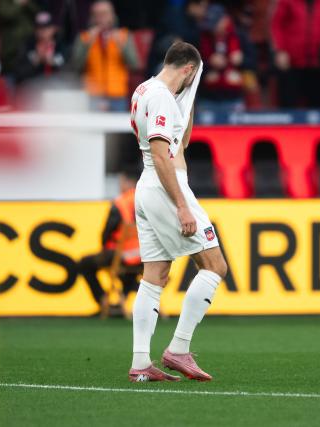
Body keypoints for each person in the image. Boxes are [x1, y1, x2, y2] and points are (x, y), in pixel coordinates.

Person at [128, 41, 227, 382]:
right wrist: (182, 206)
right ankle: (179, 349)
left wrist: (191, 96)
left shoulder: (144, 90)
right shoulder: (160, 97)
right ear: (188, 70)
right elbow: (162, 155)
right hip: (165, 186)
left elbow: (180, 141)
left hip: (147, 187)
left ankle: (141, 363)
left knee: (155, 275)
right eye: (194, 77)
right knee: (215, 265)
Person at [78, 168, 143, 318]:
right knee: (129, 273)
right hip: (145, 256)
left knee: (84, 264)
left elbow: (107, 231)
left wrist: (104, 247)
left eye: (121, 182)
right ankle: (122, 301)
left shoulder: (120, 203)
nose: (120, 185)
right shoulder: (149, 199)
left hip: (122, 255)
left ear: (129, 182)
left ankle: (103, 302)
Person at [270, 0, 320, 108]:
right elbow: (277, 26)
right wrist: (280, 50)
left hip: (319, 64)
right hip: (291, 64)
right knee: (288, 105)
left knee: (318, 107)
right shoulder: (286, 2)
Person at [70, 0, 140, 111]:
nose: (101, 18)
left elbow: (135, 65)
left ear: (112, 15)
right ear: (92, 18)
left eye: (105, 13)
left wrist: (122, 46)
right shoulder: (84, 37)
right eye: (97, 14)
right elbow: (76, 67)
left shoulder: (123, 35)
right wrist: (87, 45)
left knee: (117, 128)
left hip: (117, 95)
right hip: (92, 95)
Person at [14, 11, 69, 108]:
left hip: (57, 94)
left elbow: (69, 71)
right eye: (39, 28)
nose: (43, 31)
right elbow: (19, 74)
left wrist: (52, 61)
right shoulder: (28, 46)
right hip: (33, 94)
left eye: (46, 28)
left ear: (53, 29)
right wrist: (37, 60)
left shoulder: (61, 46)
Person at [199, 4, 245, 111]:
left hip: (233, 97)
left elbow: (252, 63)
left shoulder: (239, 36)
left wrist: (240, 61)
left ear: (225, 20)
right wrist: (209, 63)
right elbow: (192, 66)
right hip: (208, 97)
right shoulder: (202, 36)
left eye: (215, 24)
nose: (212, 28)